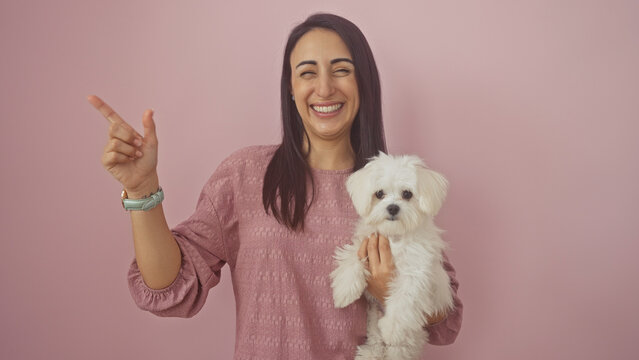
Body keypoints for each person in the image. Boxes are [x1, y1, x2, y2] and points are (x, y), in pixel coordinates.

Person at [89, 12, 462, 359]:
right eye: (307, 72)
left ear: (363, 82)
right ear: (290, 87)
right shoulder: (244, 175)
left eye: (341, 70)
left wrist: (391, 290)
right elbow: (168, 289)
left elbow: (445, 324)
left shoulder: (396, 189)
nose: (325, 87)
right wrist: (142, 191)